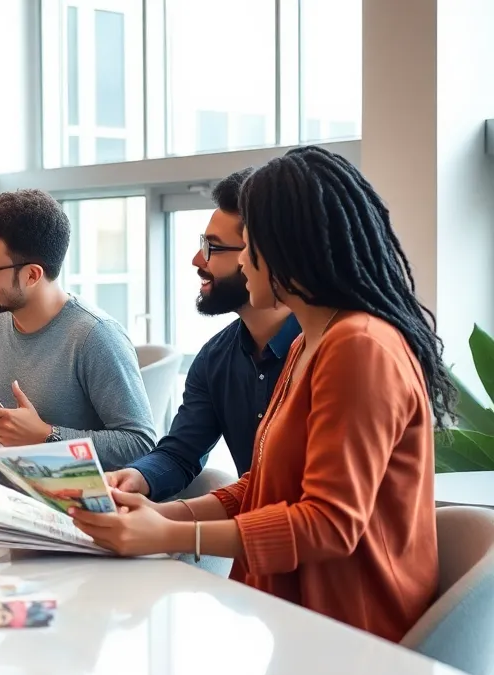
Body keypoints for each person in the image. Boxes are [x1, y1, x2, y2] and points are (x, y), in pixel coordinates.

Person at [71, 146, 450, 643]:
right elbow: (266, 485)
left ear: (291, 249)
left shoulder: (359, 347)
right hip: (292, 620)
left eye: (250, 246)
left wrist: (175, 534)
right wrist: (162, 516)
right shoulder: (308, 345)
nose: (244, 261)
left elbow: (330, 525)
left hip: (350, 636)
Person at [0, 189, 155, 477]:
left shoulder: (95, 337)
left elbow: (141, 444)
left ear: (32, 275)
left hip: (71, 515)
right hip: (0, 510)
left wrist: (47, 436)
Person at [107, 170, 301, 501]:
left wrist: (177, 525)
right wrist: (136, 477)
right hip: (257, 544)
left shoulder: (327, 352)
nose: (197, 260)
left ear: (261, 255)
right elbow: (182, 452)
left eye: (212, 247)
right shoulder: (215, 357)